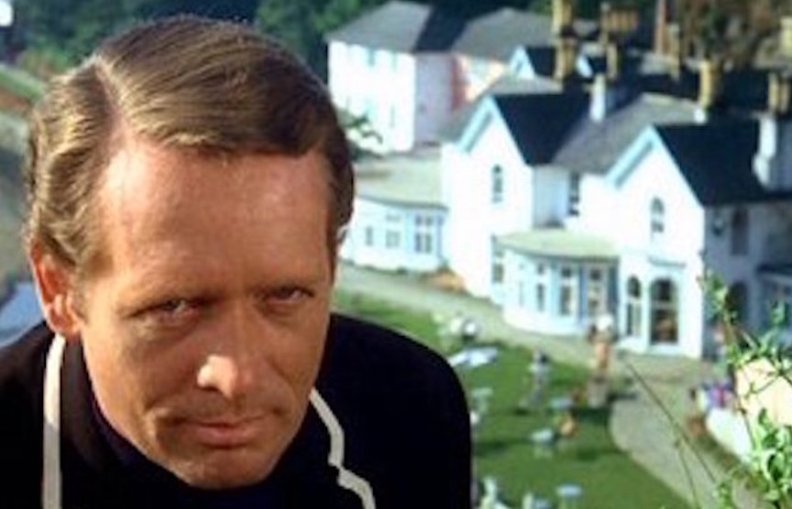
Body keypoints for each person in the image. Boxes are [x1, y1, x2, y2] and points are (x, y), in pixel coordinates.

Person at [0, 16, 470, 508]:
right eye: (175, 307)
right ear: (59, 289)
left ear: (331, 265)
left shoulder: (407, 409)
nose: (236, 378)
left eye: (285, 296)